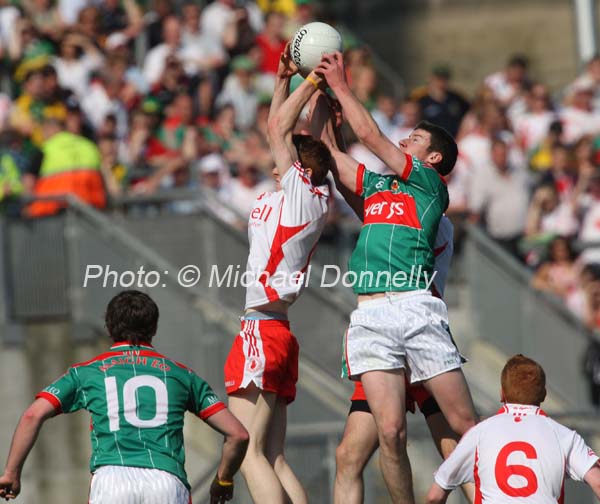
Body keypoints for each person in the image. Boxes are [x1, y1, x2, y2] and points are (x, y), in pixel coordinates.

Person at [316, 52, 477, 504]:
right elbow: (332, 156)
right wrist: (320, 99)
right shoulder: (381, 187)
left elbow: (368, 134)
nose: (406, 140)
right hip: (370, 311)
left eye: (416, 137)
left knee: (464, 426)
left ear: (434, 157)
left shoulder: (428, 186)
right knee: (389, 432)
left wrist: (342, 86)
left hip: (414, 304)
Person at [0, 290, 249, 503]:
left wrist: (11, 473)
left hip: (112, 482)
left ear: (109, 327)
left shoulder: (87, 372)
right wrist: (223, 480)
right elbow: (238, 435)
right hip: (166, 482)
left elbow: (33, 415)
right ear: (154, 327)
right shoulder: (183, 375)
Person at [223, 46, 334, 504]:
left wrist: (311, 82)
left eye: (286, 155)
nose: (274, 157)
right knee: (275, 457)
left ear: (299, 167)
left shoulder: (301, 191)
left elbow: (278, 128)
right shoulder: (308, 195)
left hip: (261, 327)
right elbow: (283, 127)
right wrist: (282, 80)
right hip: (279, 331)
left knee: (246, 452)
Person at [334, 214, 475, 504]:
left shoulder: (428, 213)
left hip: (421, 342)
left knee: (456, 447)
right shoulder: (402, 208)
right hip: (384, 344)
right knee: (349, 455)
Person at [427, 354, 600, 503]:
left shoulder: (480, 433)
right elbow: (597, 482)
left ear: (502, 393)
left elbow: (435, 496)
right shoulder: (564, 436)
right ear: (544, 394)